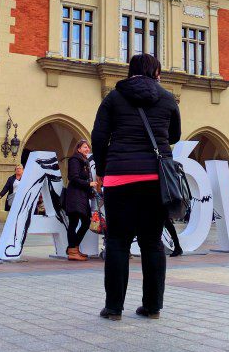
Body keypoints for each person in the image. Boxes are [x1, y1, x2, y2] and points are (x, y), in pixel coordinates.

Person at [91, 53, 181, 321]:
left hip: (120, 178)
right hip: (155, 180)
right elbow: (174, 135)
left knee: (117, 241)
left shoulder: (114, 97)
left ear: (130, 71)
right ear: (156, 72)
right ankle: (152, 307)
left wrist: (104, 170)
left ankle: (113, 309)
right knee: (152, 242)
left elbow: (99, 136)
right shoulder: (167, 97)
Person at [64, 140, 96, 261]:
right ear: (78, 149)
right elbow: (73, 178)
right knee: (76, 222)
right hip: (75, 196)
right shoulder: (75, 160)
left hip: (81, 196)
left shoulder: (84, 160)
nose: (87, 149)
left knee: (83, 222)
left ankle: (73, 248)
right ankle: (72, 250)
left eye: (88, 147)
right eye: (84, 147)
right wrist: (89, 184)